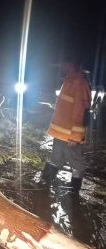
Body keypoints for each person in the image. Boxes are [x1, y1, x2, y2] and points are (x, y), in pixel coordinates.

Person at [41, 57, 91, 195]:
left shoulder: (79, 83)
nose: (61, 65)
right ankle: (44, 183)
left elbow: (81, 111)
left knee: (77, 162)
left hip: (70, 135)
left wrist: (75, 137)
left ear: (71, 65)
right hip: (61, 133)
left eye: (64, 63)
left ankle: (74, 192)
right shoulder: (68, 80)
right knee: (56, 158)